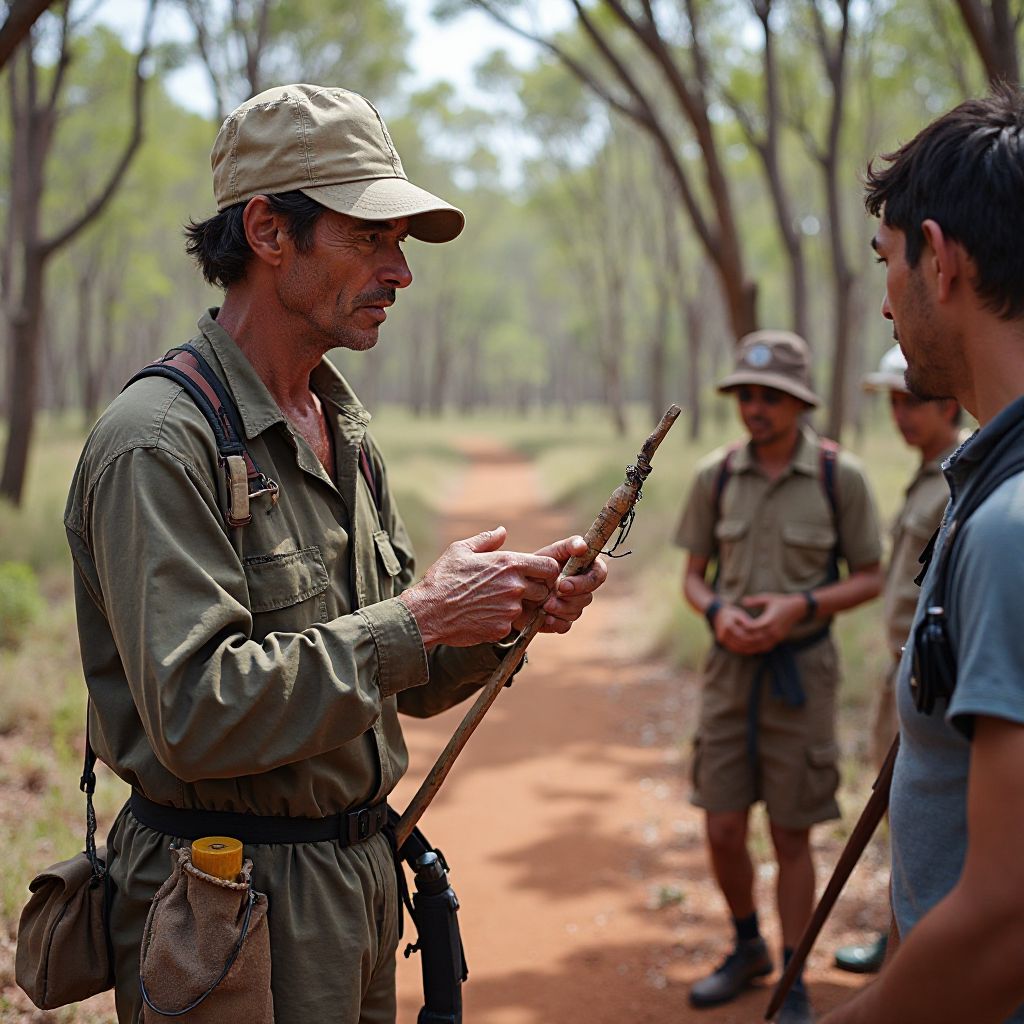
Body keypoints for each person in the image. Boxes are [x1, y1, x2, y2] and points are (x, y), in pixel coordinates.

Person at [62, 84, 607, 1024]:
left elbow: (391, 678)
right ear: (270, 231)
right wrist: (422, 614)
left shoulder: (339, 428)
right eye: (371, 238)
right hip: (224, 906)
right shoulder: (159, 443)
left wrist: (496, 619)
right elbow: (195, 713)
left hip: (354, 888)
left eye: (401, 245)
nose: (401, 273)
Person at [820, 87, 1024, 1024]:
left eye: (887, 263)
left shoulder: (1007, 529)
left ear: (938, 260)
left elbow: (1002, 924)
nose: (888, 300)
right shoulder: (984, 490)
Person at [673, 330, 883, 1024]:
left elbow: (872, 576)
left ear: (798, 403)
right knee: (724, 823)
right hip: (731, 672)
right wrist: (719, 616)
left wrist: (801, 606)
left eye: (771, 397)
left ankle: (794, 974)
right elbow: (693, 580)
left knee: (793, 832)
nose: (755, 408)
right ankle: (746, 947)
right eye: (746, 396)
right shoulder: (716, 475)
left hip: (804, 673)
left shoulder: (837, 476)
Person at [833, 345, 961, 975]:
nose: (899, 415)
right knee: (900, 821)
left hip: (931, 682)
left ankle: (912, 966)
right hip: (902, 672)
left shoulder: (956, 481)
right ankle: (897, 945)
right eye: (892, 402)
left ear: (948, 401)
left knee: (919, 827)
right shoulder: (927, 473)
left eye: (910, 401)